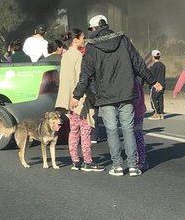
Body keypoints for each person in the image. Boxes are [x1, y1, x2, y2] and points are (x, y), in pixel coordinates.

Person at [70, 15, 162, 177]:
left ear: (95, 28)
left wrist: (76, 95)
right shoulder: (123, 40)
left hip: (105, 96)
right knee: (128, 129)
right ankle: (133, 166)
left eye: (90, 29)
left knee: (112, 130)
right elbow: (138, 63)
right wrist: (153, 81)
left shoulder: (91, 47)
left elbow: (85, 74)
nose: (90, 33)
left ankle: (117, 166)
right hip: (126, 93)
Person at [57, 29, 101, 172]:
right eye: (82, 38)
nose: (84, 40)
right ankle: (88, 161)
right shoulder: (78, 57)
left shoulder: (65, 56)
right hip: (79, 100)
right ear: (75, 40)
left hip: (68, 100)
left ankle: (75, 161)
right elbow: (82, 79)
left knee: (73, 131)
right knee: (85, 130)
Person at [147, 50, 166, 118]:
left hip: (155, 85)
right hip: (162, 84)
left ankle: (156, 113)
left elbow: (151, 77)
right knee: (160, 99)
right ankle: (161, 113)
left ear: (153, 57)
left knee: (153, 98)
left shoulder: (153, 66)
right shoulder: (163, 65)